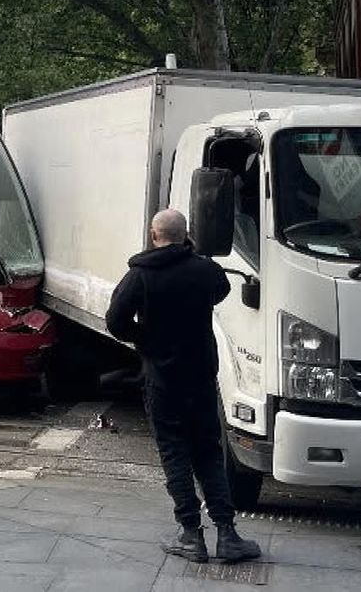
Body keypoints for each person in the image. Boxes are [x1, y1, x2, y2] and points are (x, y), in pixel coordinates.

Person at [105, 209, 261, 564]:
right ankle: (227, 533)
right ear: (186, 234)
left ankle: (191, 533)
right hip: (201, 377)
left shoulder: (140, 275)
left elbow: (115, 320)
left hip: (162, 380)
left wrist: (146, 339)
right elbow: (221, 290)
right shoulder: (205, 270)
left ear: (153, 234)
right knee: (208, 452)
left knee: (174, 452)